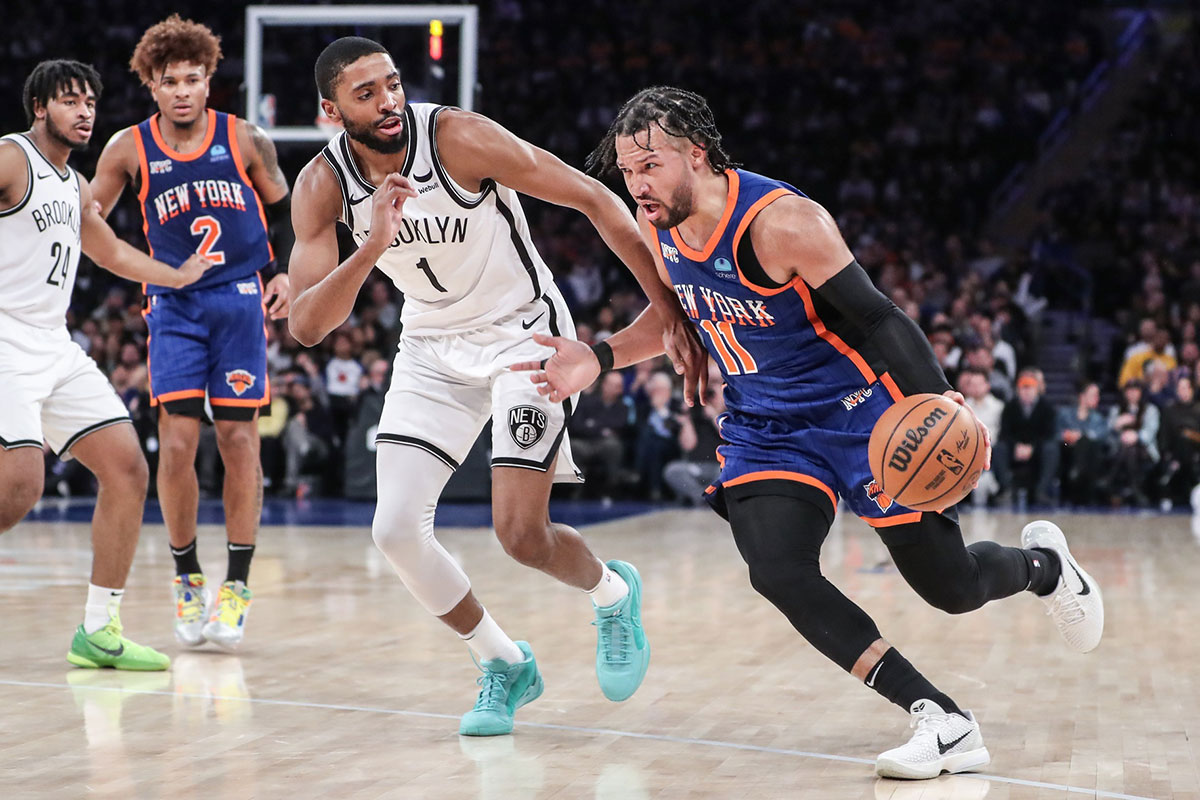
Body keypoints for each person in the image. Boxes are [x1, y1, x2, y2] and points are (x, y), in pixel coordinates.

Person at [520, 87, 1105, 779]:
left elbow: (881, 318)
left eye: (650, 165)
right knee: (776, 569)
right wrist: (598, 355)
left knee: (951, 588)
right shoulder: (658, 224)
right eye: (627, 170)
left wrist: (940, 400)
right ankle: (940, 717)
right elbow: (675, 316)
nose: (637, 184)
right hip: (765, 426)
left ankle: (1046, 569)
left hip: (862, 414)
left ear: (697, 156)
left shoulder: (784, 223)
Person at [287, 38, 704, 737]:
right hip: (428, 346)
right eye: (366, 93)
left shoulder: (459, 138)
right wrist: (370, 245)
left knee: (519, 535)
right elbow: (307, 326)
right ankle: (504, 663)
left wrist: (668, 310)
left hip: (524, 336)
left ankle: (611, 593)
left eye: (392, 84)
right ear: (331, 110)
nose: (389, 100)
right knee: (392, 529)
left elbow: (595, 198)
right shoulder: (320, 186)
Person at [90, 15, 296, 650]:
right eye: (168, 80)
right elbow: (88, 215)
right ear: (151, 84)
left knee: (239, 441)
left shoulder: (246, 138)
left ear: (210, 81)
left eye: (193, 78)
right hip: (174, 304)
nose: (181, 90)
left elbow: (285, 209)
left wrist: (286, 271)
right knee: (176, 448)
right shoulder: (127, 146)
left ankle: (236, 585)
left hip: (238, 301)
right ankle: (187, 577)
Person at [0, 60, 211, 669]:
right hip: (6, 344)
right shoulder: (14, 158)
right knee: (19, 484)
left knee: (127, 470)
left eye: (90, 101)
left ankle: (98, 631)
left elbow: (110, 249)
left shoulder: (74, 185)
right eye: (70, 100)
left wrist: (174, 276)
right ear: (39, 107)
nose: (85, 110)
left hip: (53, 345)